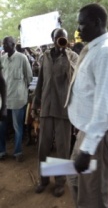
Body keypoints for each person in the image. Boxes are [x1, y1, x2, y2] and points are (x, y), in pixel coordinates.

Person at [66, 3, 108, 208]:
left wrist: (88, 148)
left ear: (97, 23)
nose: (78, 29)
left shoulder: (106, 54)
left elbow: (105, 106)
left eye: (82, 24)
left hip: (100, 135)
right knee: (74, 179)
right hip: (88, 130)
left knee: (93, 197)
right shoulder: (95, 48)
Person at [32, 28, 78, 197]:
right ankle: (43, 179)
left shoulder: (72, 56)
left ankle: (60, 182)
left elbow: (74, 76)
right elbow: (41, 81)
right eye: (57, 37)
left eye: (63, 37)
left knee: (62, 147)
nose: (60, 40)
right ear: (52, 39)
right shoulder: (45, 56)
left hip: (63, 108)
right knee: (43, 146)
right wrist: (36, 102)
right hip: (46, 106)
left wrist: (64, 53)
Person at [0, 36, 33, 162]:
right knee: (1, 127)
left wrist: (21, 90)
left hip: (18, 100)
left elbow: (29, 77)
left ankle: (17, 151)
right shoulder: (2, 59)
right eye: (3, 44)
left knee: (17, 127)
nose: (4, 46)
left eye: (6, 43)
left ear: (13, 44)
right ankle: (2, 151)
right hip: (4, 101)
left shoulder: (22, 58)